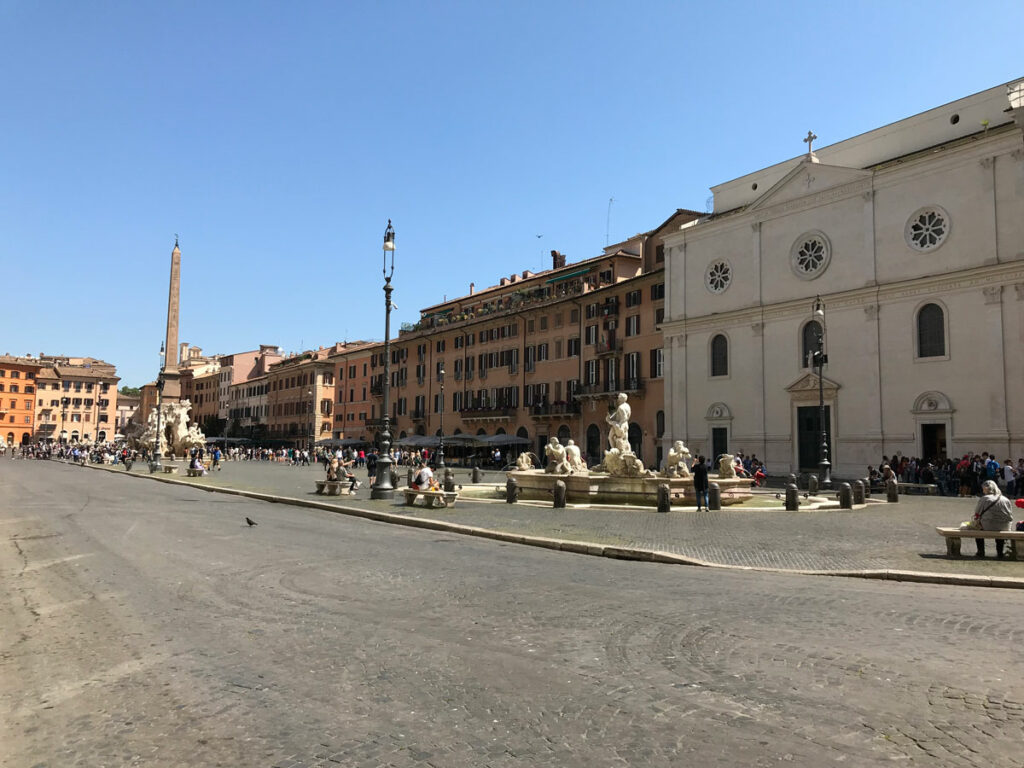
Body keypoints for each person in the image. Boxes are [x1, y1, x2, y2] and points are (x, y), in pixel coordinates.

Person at [973, 479, 1015, 558]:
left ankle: (980, 551)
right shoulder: (1005, 499)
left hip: (988, 525)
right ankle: (1000, 552)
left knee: (977, 528)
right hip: (1005, 526)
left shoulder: (985, 498)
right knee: (999, 528)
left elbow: (977, 513)